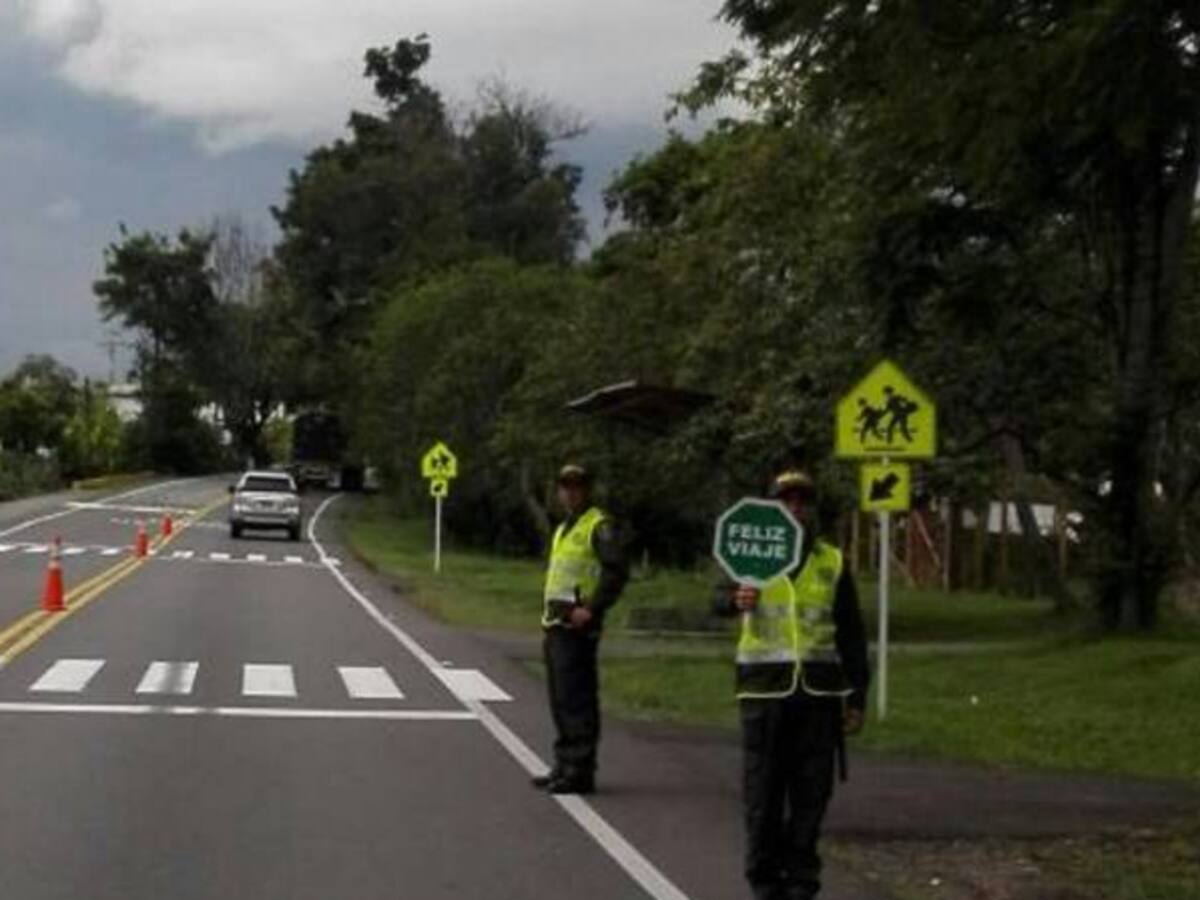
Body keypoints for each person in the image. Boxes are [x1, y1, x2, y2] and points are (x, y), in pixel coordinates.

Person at [714, 470, 870, 900]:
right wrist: (734, 599)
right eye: (787, 500)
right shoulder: (749, 553)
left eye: (802, 500)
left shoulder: (831, 560)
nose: (795, 508)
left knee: (811, 795)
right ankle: (764, 879)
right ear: (772, 507)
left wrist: (858, 696)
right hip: (765, 693)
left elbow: (852, 634)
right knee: (763, 794)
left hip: (819, 696)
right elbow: (717, 599)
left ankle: (801, 880)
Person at [532, 463, 629, 795]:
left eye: (576, 486)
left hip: (578, 625)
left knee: (577, 698)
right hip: (556, 622)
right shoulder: (564, 527)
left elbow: (616, 571)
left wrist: (592, 608)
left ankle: (580, 769)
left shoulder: (598, 525)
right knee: (560, 697)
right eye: (565, 486)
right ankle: (564, 763)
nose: (570, 493)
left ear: (587, 490)